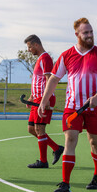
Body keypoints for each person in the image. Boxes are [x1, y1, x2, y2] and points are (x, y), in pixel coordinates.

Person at [38, 18, 97, 192]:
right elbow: (54, 79)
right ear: (77, 34)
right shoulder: (66, 55)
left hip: (94, 108)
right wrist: (44, 100)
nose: (89, 35)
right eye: (85, 32)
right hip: (72, 108)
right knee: (70, 140)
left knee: (95, 142)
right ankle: (65, 184)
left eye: (91, 32)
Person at [24, 34, 64, 168]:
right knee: (31, 129)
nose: (29, 50)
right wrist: (31, 96)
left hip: (43, 99)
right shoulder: (39, 59)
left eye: (29, 47)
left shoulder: (46, 58)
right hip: (37, 98)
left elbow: (49, 79)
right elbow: (37, 80)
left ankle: (43, 161)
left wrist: (45, 99)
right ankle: (56, 148)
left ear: (36, 45)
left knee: (39, 129)